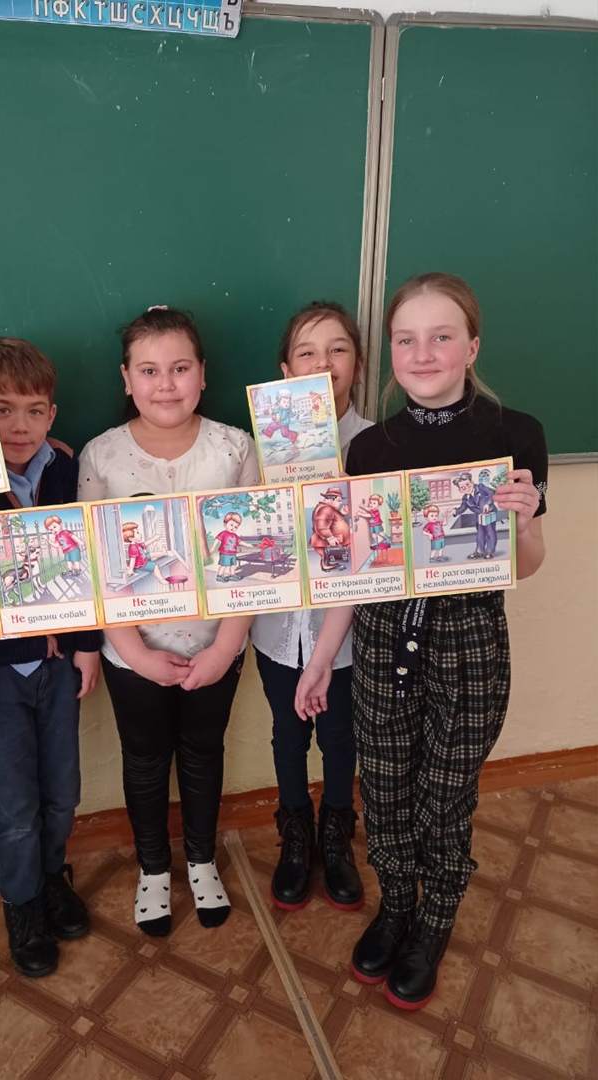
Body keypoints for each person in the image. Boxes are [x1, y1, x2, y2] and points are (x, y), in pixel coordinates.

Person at [295, 274, 547, 1010]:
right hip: (382, 637)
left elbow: (526, 566)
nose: (423, 352)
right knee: (385, 788)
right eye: (406, 339)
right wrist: (321, 657)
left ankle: (435, 916)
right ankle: (396, 904)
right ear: (391, 354)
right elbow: (353, 571)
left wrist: (525, 521)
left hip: (468, 637)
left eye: (441, 336)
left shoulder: (514, 434)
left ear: (472, 346)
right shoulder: (370, 447)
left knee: (444, 794)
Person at [78, 306, 261, 937]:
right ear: (126, 378)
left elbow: (254, 561)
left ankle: (202, 859)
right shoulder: (101, 455)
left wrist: (224, 649)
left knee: (204, 752)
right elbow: (94, 569)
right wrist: (135, 654)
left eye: (180, 369)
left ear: (202, 374)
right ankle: (154, 868)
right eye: (149, 370)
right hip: (132, 651)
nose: (165, 384)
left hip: (217, 643)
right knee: (145, 757)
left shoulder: (235, 449)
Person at [0, 338, 101, 979]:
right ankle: (20, 900)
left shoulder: (66, 466)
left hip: (56, 664)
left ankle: (50, 877)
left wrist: (86, 647)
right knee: (15, 807)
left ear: (52, 413)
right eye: (1, 409)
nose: (19, 426)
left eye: (34, 410)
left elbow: (88, 561)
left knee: (63, 793)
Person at [251, 302, 371, 913]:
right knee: (287, 732)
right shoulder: (257, 450)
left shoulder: (378, 445)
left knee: (341, 736)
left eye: (338, 349)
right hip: (278, 630)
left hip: (347, 634)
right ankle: (295, 832)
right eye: (307, 352)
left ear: (358, 364)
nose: (323, 363)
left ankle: (336, 832)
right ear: (286, 370)